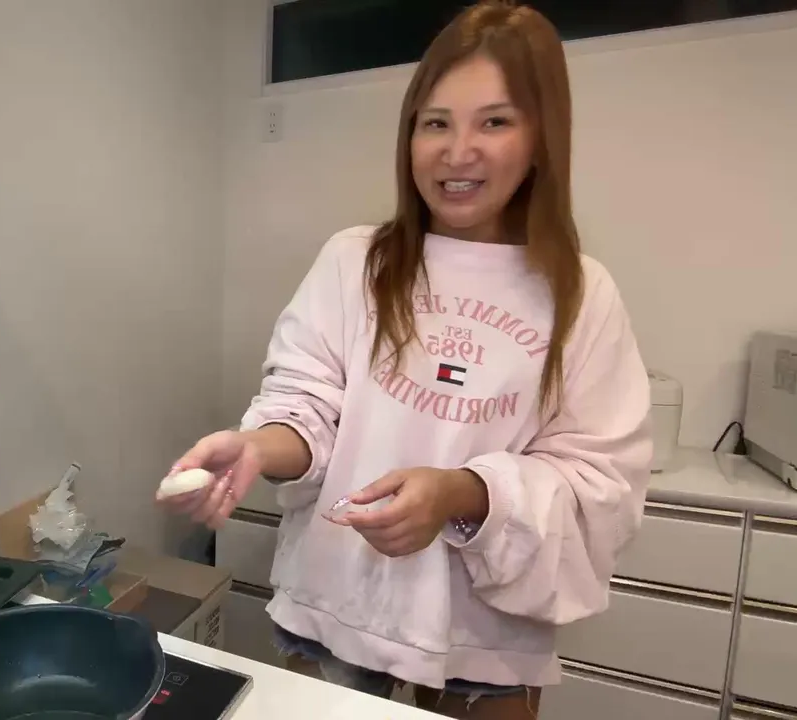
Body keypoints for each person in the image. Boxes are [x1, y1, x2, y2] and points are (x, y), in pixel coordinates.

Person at [157, 2, 652, 718]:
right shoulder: (355, 262)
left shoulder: (579, 292)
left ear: (543, 137)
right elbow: (307, 403)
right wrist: (258, 448)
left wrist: (460, 493)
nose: (457, 152)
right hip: (341, 604)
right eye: (435, 123)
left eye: (494, 122)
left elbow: (598, 481)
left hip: (486, 636)